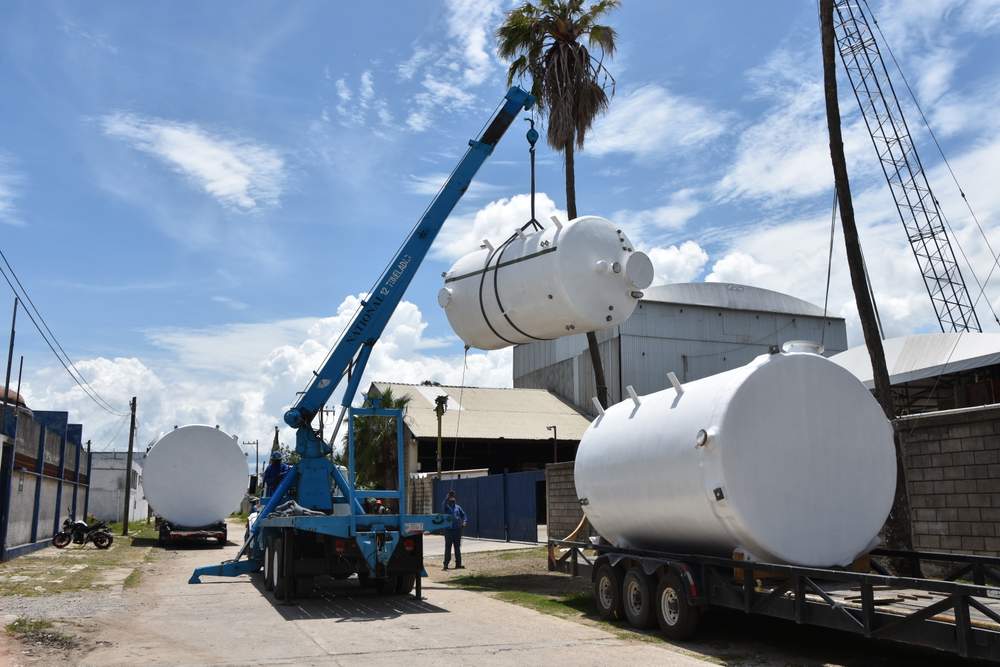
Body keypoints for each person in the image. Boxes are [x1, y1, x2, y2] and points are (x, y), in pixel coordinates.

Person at [442, 490, 467, 570]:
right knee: (448, 547)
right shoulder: (446, 507)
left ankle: (458, 564)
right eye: (451, 498)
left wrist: (465, 522)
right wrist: (447, 496)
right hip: (448, 531)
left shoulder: (458, 507)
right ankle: (446, 564)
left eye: (453, 498)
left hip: (457, 530)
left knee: (457, 547)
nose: (452, 499)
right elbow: (443, 505)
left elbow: (464, 515)